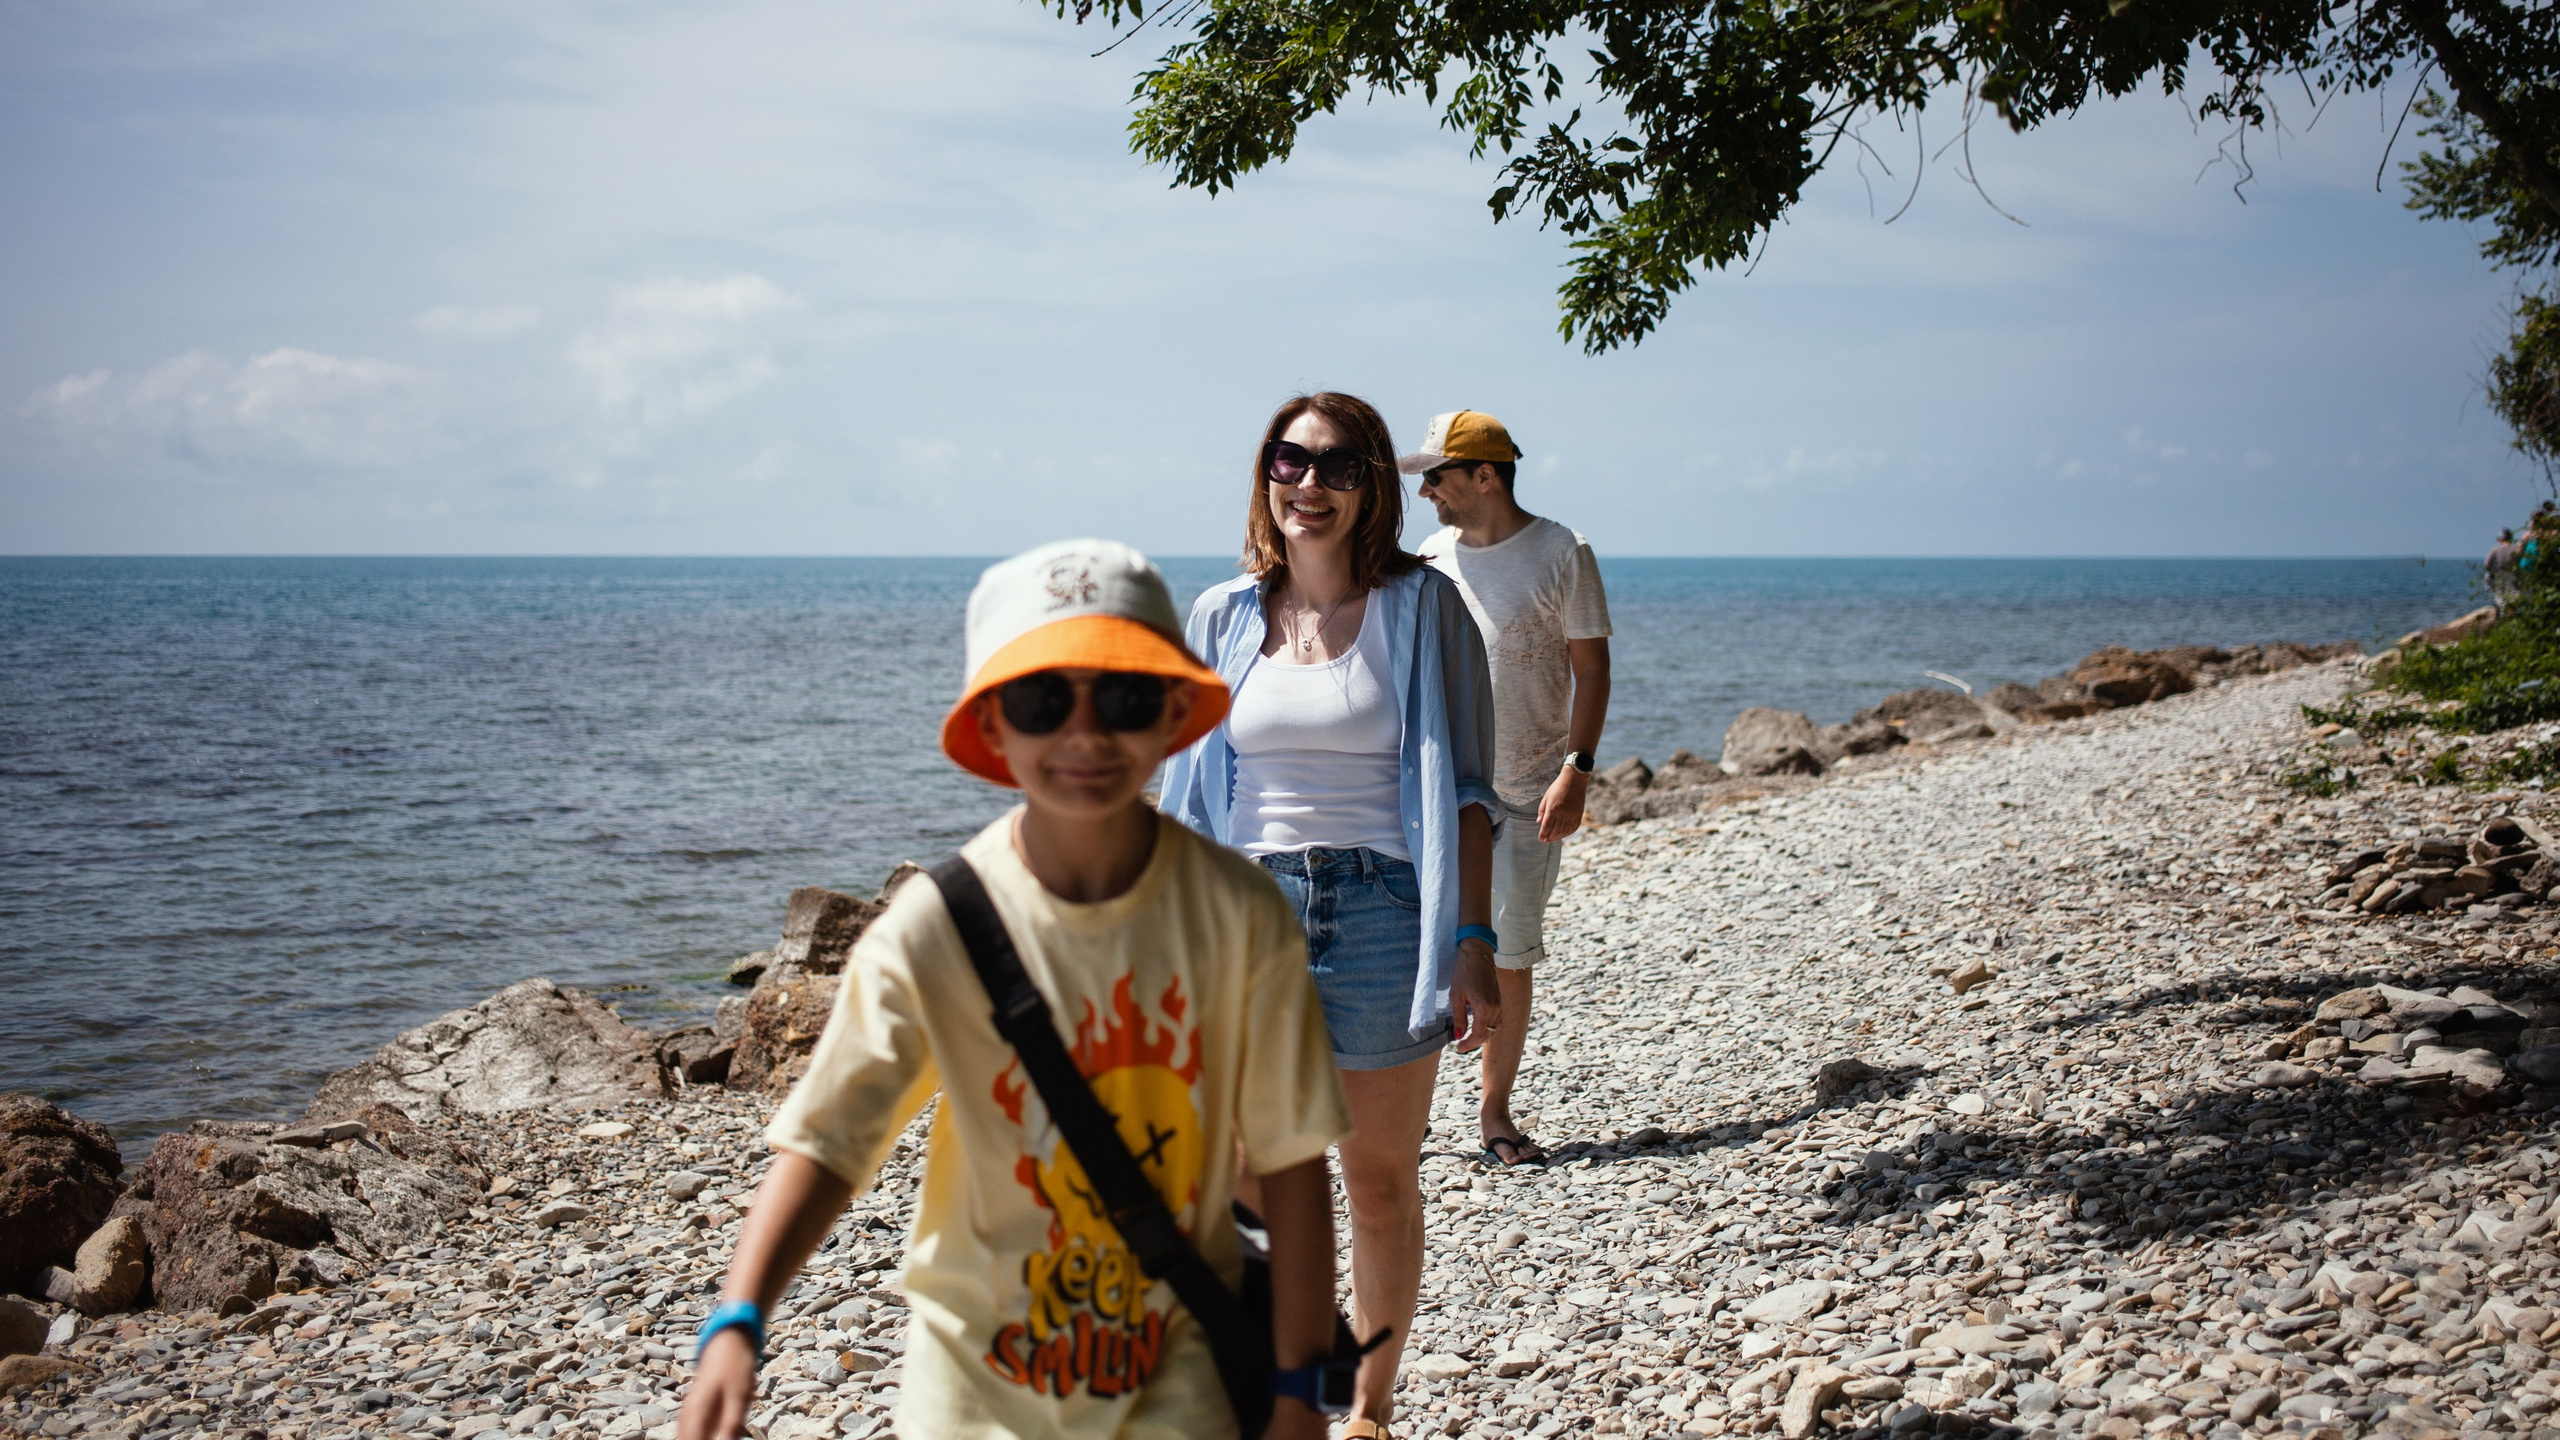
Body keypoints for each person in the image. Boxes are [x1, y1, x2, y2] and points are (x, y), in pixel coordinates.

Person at [680, 539, 1352, 1440]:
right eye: (1042, 701)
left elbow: (1291, 1162)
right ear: (994, 727)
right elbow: (832, 1143)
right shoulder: (937, 926)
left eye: (1123, 697)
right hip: (974, 1395)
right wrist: (738, 1319)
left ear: (1171, 717)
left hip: (1179, 1381)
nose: (1085, 734)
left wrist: (1300, 1394)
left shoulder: (1238, 916)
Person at [1160, 392, 1504, 1440]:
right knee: (1243, 1179)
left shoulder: (1424, 609)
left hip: (1388, 916)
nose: (1309, 485)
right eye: (1289, 462)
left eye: (1338, 467)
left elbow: (1471, 793)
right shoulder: (1221, 616)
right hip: (1244, 920)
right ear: (1266, 474)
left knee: (1377, 1179)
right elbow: (1179, 796)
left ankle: (1371, 1407)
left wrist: (1473, 947)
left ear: (1374, 490)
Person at [1405, 410, 1612, 1169]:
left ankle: (1495, 1113)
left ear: (1484, 475)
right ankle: (1410, 1115)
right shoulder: (1429, 557)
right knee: (1426, 950)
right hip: (1443, 791)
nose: (1425, 490)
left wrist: (1577, 770)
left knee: (1511, 956)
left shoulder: (1562, 551)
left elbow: (1591, 669)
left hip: (1530, 790)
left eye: (1438, 475)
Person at [2488, 528, 2523, 606]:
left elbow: (2487, 564)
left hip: (2499, 580)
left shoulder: (2495, 549)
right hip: (2514, 579)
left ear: (2500, 538)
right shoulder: (2516, 549)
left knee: (2501, 603)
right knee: (2514, 602)